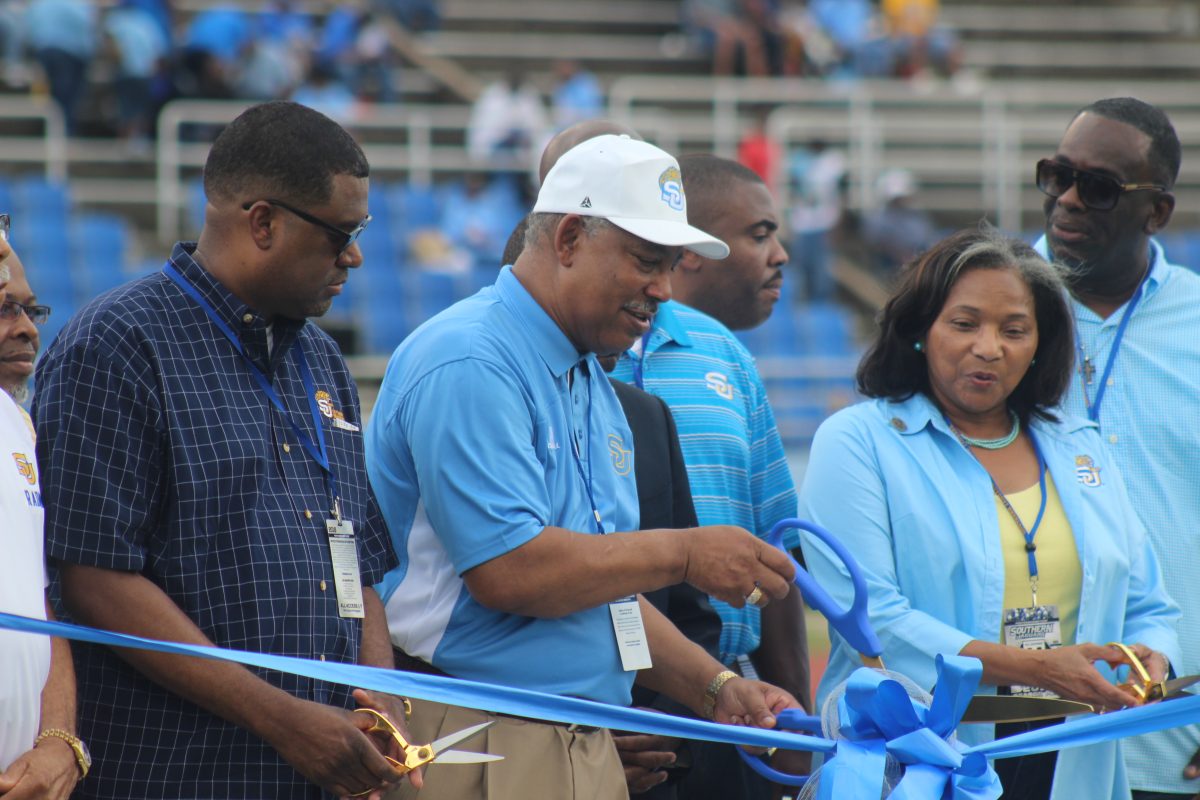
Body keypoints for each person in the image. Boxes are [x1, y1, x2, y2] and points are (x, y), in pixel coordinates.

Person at [368, 133, 802, 800]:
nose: (663, 289)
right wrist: (684, 554)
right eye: (645, 261)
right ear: (569, 239)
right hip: (472, 733)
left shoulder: (587, 376)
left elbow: (605, 590)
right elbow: (510, 571)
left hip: (568, 736)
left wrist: (717, 688)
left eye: (670, 265)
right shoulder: (471, 359)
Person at [34, 101, 416, 800]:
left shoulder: (323, 361)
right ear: (263, 222)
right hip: (177, 774)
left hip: (315, 775)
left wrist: (373, 690)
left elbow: (356, 559)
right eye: (341, 233)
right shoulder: (117, 345)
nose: (355, 256)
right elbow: (91, 579)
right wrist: (283, 721)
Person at [798, 226, 1181, 800]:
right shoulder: (857, 443)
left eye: (1014, 330)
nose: (989, 347)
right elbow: (877, 626)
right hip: (920, 757)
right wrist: (1038, 669)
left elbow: (1149, 603)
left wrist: (1151, 655)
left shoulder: (1081, 444)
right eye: (964, 323)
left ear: (1039, 345)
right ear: (920, 331)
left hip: (1075, 751)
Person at [609, 153, 810, 798]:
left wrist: (796, 731)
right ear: (688, 246)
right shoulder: (565, 354)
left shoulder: (724, 353)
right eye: (759, 234)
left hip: (730, 695)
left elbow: (776, 551)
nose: (779, 254)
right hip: (600, 698)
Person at [1033, 97, 1200, 800]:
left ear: (1155, 211)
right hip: (1017, 732)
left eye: (1097, 187)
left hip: (1174, 736)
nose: (1067, 200)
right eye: (1056, 175)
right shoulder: (983, 310)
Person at [0, 228, 81, 800]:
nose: (28, 329)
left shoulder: (19, 426)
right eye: (4, 309)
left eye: (30, 310)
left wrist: (58, 743)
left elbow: (40, 604)